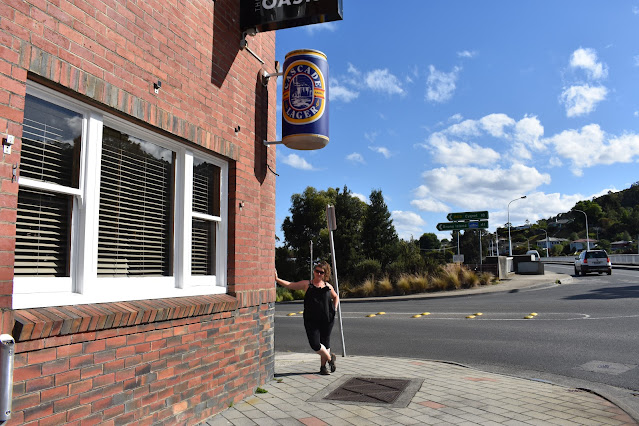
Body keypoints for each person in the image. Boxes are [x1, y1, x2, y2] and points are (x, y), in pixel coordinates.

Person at [275, 261, 339, 375]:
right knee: (315, 344)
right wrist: (277, 279)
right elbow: (290, 285)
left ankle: (323, 367)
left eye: (321, 272)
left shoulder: (328, 287)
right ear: (314, 271)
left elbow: (336, 297)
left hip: (327, 319)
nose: (318, 274)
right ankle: (330, 359)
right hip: (311, 320)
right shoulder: (307, 284)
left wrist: (334, 309)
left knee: (325, 343)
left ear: (325, 274)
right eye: (316, 271)